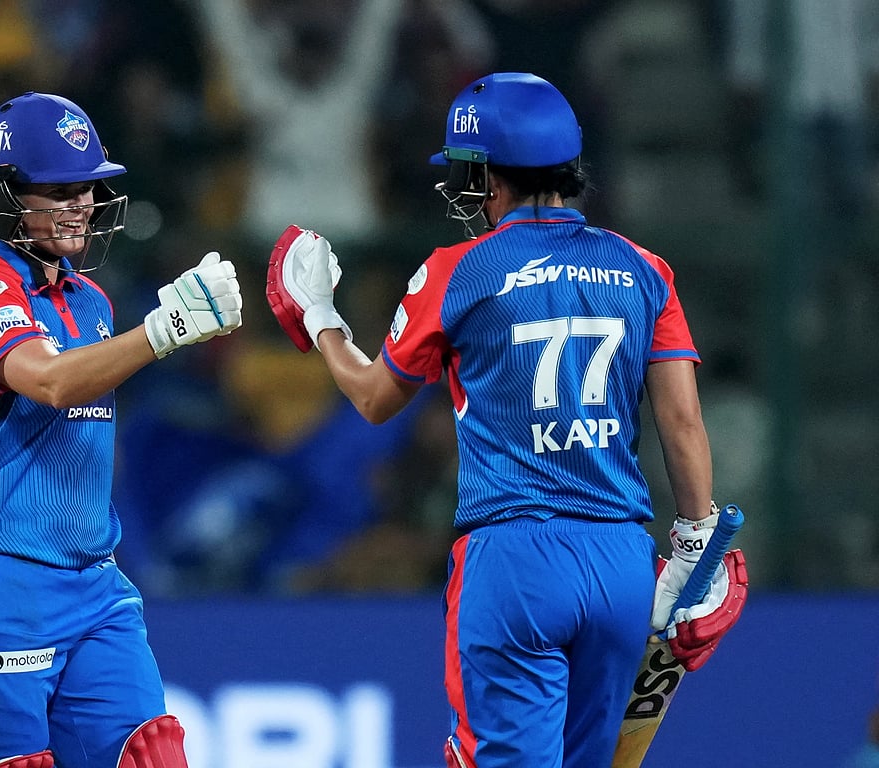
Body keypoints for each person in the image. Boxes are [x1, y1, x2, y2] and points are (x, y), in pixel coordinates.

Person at [266, 72, 748, 767]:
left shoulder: (457, 270)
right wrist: (697, 540)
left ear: (490, 177)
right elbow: (682, 421)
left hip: (514, 561)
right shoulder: (644, 269)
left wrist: (321, 317)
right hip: (620, 561)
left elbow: (374, 399)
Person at [0, 92, 242, 768]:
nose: (82, 203)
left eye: (87, 187)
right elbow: (51, 381)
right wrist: (165, 329)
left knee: (153, 756)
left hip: (96, 589)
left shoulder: (92, 303)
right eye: (59, 190)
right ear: (4, 197)